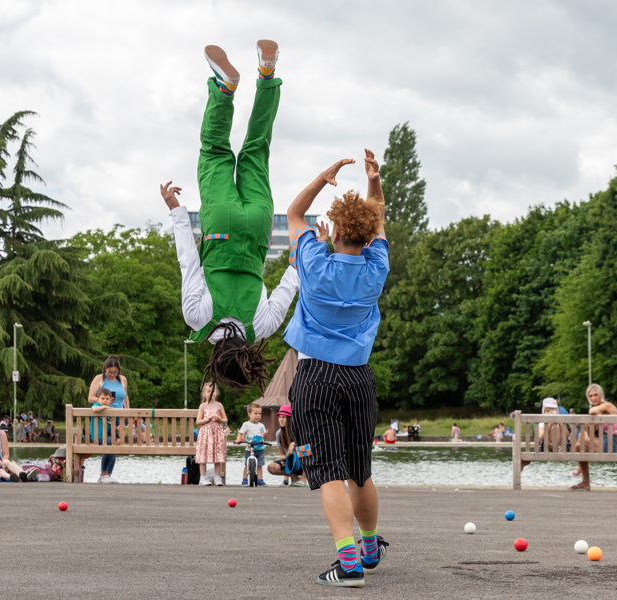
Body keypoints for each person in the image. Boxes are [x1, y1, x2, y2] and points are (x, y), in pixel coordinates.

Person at [161, 41, 298, 398]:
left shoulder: (262, 328)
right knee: (215, 149)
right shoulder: (197, 318)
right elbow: (188, 262)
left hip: (257, 230)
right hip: (220, 227)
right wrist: (176, 211)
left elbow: (290, 283)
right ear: (215, 357)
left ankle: (267, 75)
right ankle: (225, 88)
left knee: (257, 147)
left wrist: (308, 248)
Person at [282, 148, 390, 586]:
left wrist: (321, 178)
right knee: (359, 470)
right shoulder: (376, 268)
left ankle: (347, 564)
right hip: (358, 379)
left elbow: (293, 213)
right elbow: (378, 218)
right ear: (365, 239)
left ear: (337, 230)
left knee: (327, 470)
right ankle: (368, 546)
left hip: (315, 378)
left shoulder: (311, 261)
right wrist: (374, 181)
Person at [86, 356, 129, 483]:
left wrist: (128, 412)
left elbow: (125, 397)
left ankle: (108, 476)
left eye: (115, 372)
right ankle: (103, 473)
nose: (112, 375)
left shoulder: (122, 380)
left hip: (119, 417)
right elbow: (90, 398)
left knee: (115, 444)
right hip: (104, 417)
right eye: (110, 372)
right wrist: (105, 400)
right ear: (105, 369)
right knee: (109, 442)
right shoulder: (99, 379)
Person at [573, 384, 617, 491]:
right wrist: (590, 425)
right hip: (607, 441)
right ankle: (585, 482)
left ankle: (579, 469)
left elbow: (592, 411)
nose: (593, 398)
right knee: (578, 446)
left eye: (596, 395)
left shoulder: (607, 405)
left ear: (601, 394)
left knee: (581, 436)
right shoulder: (599, 411)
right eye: (590, 396)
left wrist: (593, 416)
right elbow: (591, 434)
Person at [194, 383, 228, 486]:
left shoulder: (219, 405)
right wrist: (207, 419)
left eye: (213, 391)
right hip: (205, 433)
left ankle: (217, 477)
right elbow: (198, 421)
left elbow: (225, 419)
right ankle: (203, 477)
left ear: (216, 393)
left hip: (217, 433)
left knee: (217, 454)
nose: (211, 393)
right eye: (208, 391)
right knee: (203, 455)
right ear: (204, 394)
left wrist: (219, 419)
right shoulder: (203, 406)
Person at [267, 405, 307, 487]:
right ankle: (294, 478)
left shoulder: (299, 431)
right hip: (292, 463)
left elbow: (309, 448)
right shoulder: (279, 434)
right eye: (279, 417)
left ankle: (303, 480)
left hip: (304, 463)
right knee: (271, 467)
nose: (281, 419)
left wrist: (293, 444)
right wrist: (283, 460)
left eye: (284, 417)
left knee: (305, 451)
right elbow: (282, 453)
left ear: (290, 419)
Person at [91, 387, 120, 481]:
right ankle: (103, 472)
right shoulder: (97, 405)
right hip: (97, 437)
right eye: (102, 398)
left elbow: (112, 427)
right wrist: (105, 407)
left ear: (110, 400)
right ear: (98, 399)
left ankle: (108, 474)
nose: (104, 401)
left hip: (107, 437)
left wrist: (118, 432)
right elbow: (94, 409)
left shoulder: (112, 410)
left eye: (107, 399)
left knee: (113, 446)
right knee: (111, 443)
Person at [236, 403, 267, 486]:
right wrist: (238, 440)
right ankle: (245, 480)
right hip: (250, 449)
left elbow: (263, 436)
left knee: (260, 465)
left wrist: (265, 434)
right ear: (249, 414)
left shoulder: (261, 425)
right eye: (255, 413)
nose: (258, 415)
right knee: (247, 465)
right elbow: (240, 433)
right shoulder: (246, 424)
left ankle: (260, 479)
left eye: (259, 413)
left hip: (260, 448)